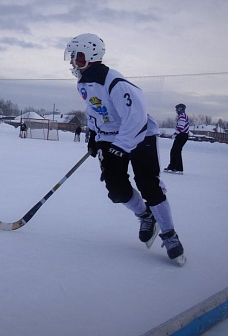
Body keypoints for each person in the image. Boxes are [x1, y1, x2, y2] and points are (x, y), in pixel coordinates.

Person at [64, 33, 185, 265]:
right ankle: (145, 216)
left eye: (77, 58)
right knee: (116, 189)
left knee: (148, 184)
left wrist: (120, 148)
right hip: (111, 138)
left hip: (140, 135)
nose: (72, 63)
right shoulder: (84, 83)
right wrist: (94, 136)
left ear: (90, 57)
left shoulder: (115, 83)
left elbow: (136, 117)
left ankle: (170, 234)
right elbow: (94, 111)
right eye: (72, 58)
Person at [165, 104, 189, 174]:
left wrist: (175, 134)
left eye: (177, 109)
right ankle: (174, 167)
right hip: (182, 135)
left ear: (180, 109)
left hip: (182, 135)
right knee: (175, 150)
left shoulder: (182, 116)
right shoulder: (183, 115)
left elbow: (180, 126)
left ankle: (177, 167)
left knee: (175, 151)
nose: (176, 111)